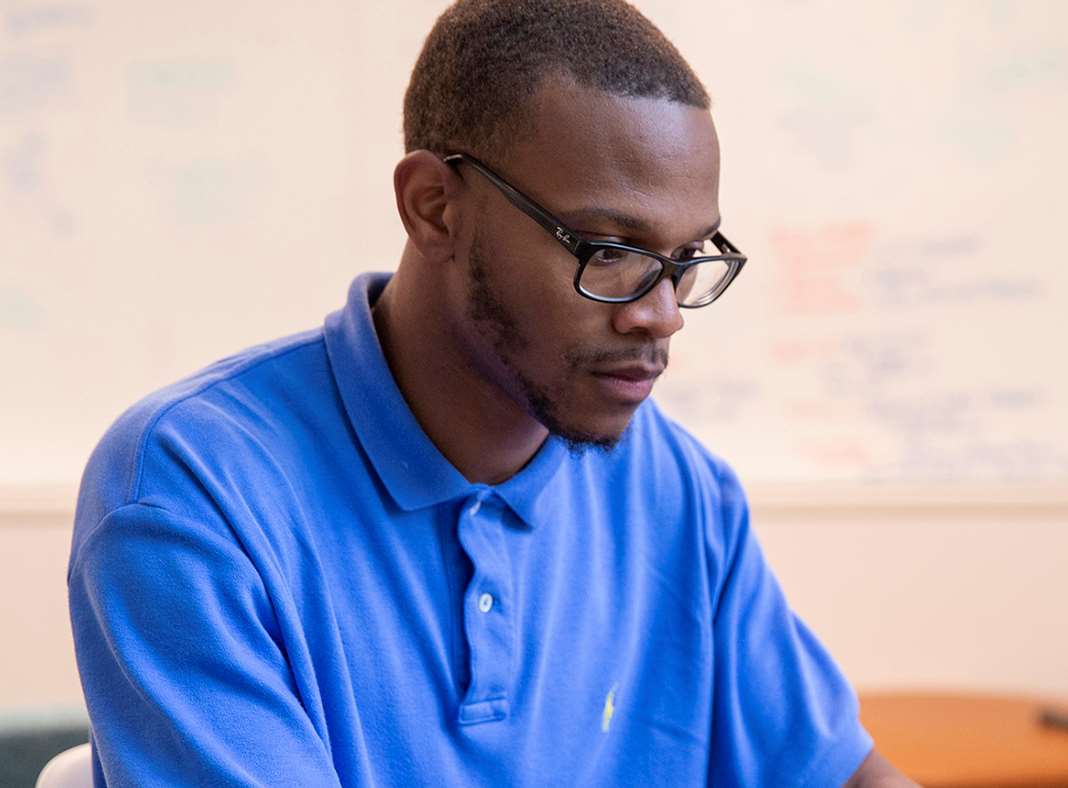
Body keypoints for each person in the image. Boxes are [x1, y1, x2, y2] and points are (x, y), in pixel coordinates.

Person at [68, 1, 913, 785]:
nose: (662, 317)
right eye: (610, 249)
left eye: (689, 259)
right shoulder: (191, 494)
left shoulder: (681, 493)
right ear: (434, 207)